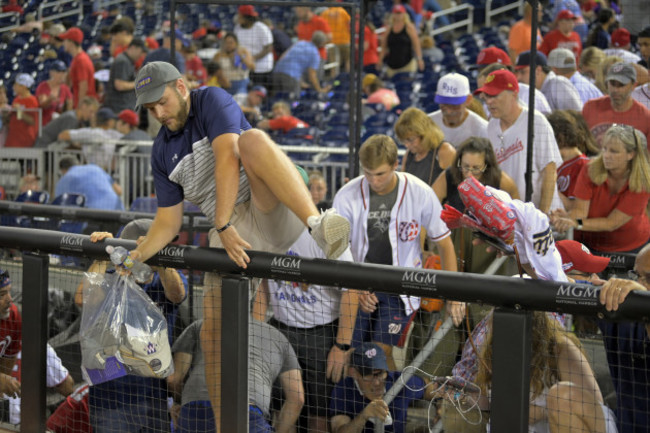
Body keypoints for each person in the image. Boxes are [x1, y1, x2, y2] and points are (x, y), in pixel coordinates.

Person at [129, 61, 350, 428]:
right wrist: (135, 254)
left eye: (162, 102)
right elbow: (168, 222)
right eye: (151, 109)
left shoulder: (212, 100)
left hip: (265, 208)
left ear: (182, 87)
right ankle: (224, 425)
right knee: (212, 331)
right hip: (230, 233)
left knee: (252, 139)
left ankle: (318, 224)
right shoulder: (160, 151)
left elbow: (228, 158)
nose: (158, 113)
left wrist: (223, 221)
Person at [332, 134, 458, 370]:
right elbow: (338, 249)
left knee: (379, 352)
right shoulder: (346, 195)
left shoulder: (420, 192)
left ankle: (388, 402)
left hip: (400, 288)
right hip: (359, 282)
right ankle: (370, 402)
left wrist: (454, 295)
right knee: (354, 353)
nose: (373, 180)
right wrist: (356, 288)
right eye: (368, 173)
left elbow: (444, 243)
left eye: (380, 174)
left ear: (394, 165)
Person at [75, 219, 187, 433]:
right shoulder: (108, 277)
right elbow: (82, 298)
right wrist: (103, 250)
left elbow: (177, 293)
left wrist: (157, 257)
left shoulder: (165, 277)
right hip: (111, 397)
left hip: (152, 396)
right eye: (160, 241)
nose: (166, 247)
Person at [252, 230, 359, 432]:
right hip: (281, 329)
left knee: (318, 413)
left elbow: (351, 290)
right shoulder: (268, 226)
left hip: (322, 334)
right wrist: (256, 333)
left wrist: (341, 345)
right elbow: (262, 284)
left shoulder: (328, 232)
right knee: (279, 406)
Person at [475, 310, 617, 433]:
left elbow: (593, 406)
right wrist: (459, 393)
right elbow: (486, 402)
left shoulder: (560, 349)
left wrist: (544, 412)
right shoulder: (493, 353)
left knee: (561, 395)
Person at [168, 318, 304, 433]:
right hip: (248, 413)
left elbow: (174, 379)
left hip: (195, 412)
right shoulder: (278, 337)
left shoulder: (201, 324)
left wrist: (178, 403)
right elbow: (297, 399)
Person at [474, 69, 564, 214]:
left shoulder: (535, 121)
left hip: (539, 212)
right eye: (487, 96)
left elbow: (550, 171)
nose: (489, 101)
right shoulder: (491, 126)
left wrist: (542, 215)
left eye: (495, 95)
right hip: (510, 214)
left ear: (514, 94)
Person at [551, 124, 650, 253]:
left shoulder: (643, 181)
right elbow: (580, 212)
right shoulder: (589, 169)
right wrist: (566, 219)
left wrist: (576, 223)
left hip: (632, 246)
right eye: (604, 149)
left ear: (631, 154)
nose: (606, 155)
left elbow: (611, 223)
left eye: (614, 151)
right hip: (592, 243)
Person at [598, 243, 650, 432]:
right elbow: (556, 279)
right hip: (625, 427)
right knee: (565, 398)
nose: (640, 284)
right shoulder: (621, 308)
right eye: (637, 276)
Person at [329, 342, 435, 433]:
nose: (376, 382)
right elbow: (338, 429)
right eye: (368, 375)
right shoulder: (343, 389)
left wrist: (441, 406)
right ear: (354, 373)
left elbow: (430, 387)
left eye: (380, 373)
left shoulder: (398, 381)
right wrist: (364, 415)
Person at [582, 62, 650, 147]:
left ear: (633, 85)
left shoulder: (645, 117)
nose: (615, 90)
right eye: (613, 83)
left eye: (621, 85)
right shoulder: (590, 107)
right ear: (607, 83)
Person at [546, 110, 600, 211]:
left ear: (560, 137)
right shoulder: (557, 163)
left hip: (570, 225)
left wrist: (548, 184)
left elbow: (574, 208)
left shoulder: (583, 166)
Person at [394, 107, 456, 186]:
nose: (407, 145)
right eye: (403, 141)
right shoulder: (408, 155)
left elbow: (455, 187)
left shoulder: (445, 151)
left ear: (424, 135)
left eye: (411, 140)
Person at [428, 73, 489, 148]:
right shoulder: (428, 124)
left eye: (455, 106)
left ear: (468, 100)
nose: (449, 111)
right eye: (444, 105)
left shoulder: (482, 129)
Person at [58, 107, 122, 171]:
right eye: (113, 120)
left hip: (105, 170)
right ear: (109, 121)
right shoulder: (94, 133)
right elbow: (63, 135)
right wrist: (80, 144)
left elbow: (63, 135)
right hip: (99, 170)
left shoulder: (111, 133)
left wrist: (80, 144)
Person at [514, 50, 583, 111]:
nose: (518, 78)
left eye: (523, 72)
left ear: (538, 70)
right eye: (517, 72)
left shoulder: (557, 83)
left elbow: (576, 116)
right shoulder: (535, 89)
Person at [272, 31, 332, 96]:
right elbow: (312, 75)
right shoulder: (314, 54)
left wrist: (300, 82)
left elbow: (284, 56)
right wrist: (319, 89)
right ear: (322, 43)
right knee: (293, 100)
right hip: (290, 77)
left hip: (277, 72)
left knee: (276, 99)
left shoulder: (300, 43)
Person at [55, 156, 124, 211]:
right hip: (118, 212)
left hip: (92, 218)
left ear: (62, 170)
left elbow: (60, 204)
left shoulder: (64, 180)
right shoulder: (95, 168)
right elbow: (119, 191)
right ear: (78, 163)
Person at [104, 38, 148, 114]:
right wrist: (139, 83)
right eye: (141, 51)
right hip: (119, 109)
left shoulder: (128, 61)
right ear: (133, 47)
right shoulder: (123, 61)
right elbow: (119, 85)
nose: (141, 55)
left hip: (123, 108)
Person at [34, 96, 99, 148]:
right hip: (44, 147)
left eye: (94, 113)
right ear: (83, 106)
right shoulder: (71, 118)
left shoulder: (75, 118)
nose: (92, 115)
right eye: (91, 111)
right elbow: (64, 139)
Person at [379, 4, 424, 78]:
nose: (398, 15)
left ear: (404, 14)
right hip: (392, 65)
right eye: (396, 13)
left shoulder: (409, 27)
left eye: (399, 13)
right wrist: (380, 60)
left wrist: (419, 59)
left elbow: (416, 44)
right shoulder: (389, 29)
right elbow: (384, 46)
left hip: (407, 64)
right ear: (393, 14)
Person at [234, 5, 274, 88]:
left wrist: (253, 58)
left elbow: (268, 48)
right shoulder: (237, 28)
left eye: (240, 16)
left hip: (262, 67)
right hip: (245, 67)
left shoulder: (262, 28)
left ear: (246, 17)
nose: (238, 18)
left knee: (260, 91)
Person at [58, 27, 97, 108]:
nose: (63, 44)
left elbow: (83, 86)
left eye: (65, 41)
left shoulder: (81, 60)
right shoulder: (77, 58)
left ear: (71, 42)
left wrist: (80, 109)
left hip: (86, 108)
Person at [0, 270, 22, 403]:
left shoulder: (13, 316)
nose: (10, 299)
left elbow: (9, 357)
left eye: (9, 291)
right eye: (2, 294)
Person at [4, 73, 39, 148]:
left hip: (24, 139)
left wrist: (19, 112)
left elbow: (33, 121)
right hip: (13, 138)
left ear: (24, 86)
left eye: (16, 85)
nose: (14, 87)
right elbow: (15, 117)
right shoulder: (16, 99)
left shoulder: (32, 100)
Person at [35, 60, 73, 127]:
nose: (62, 75)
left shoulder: (65, 88)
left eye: (63, 72)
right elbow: (42, 105)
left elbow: (70, 105)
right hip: (44, 124)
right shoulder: (43, 86)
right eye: (58, 72)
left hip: (58, 124)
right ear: (52, 73)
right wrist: (49, 99)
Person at [321, 6, 351, 71]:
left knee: (334, 64)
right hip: (344, 39)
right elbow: (349, 23)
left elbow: (322, 26)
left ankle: (334, 79)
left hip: (332, 42)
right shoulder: (342, 11)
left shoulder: (325, 13)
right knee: (348, 60)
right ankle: (349, 77)